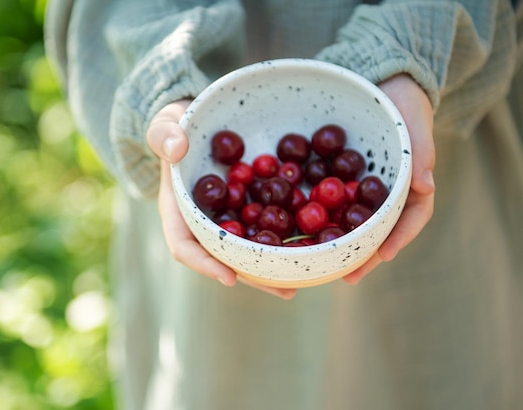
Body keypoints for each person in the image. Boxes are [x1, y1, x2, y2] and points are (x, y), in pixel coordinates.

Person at [45, 1, 523, 409]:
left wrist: (411, 51)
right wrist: (164, 86)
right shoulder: (235, 187)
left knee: (431, 360)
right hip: (198, 118)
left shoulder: (313, 188)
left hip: (431, 114)